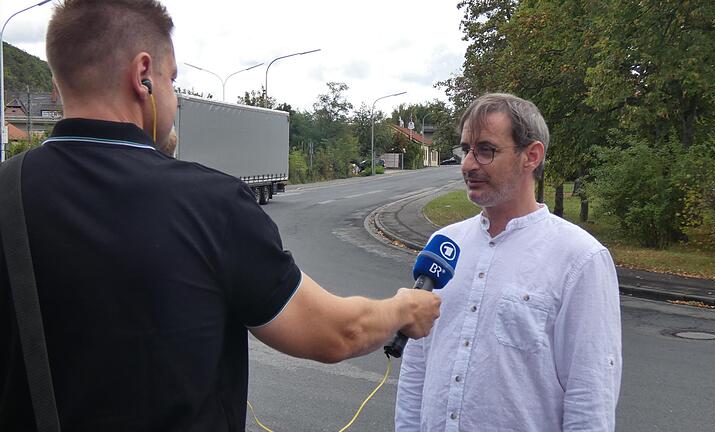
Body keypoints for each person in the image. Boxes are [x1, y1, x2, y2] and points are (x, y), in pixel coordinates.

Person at [0, 1, 440, 430]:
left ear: (57, 88)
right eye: (171, 80)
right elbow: (335, 332)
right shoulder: (212, 203)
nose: (174, 96)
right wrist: (402, 308)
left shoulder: (7, 191)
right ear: (143, 76)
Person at [395, 93, 622, 431]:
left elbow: (590, 393)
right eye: (466, 149)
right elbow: (417, 365)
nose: (468, 165)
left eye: (485, 149)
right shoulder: (443, 246)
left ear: (531, 156)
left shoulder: (580, 259)